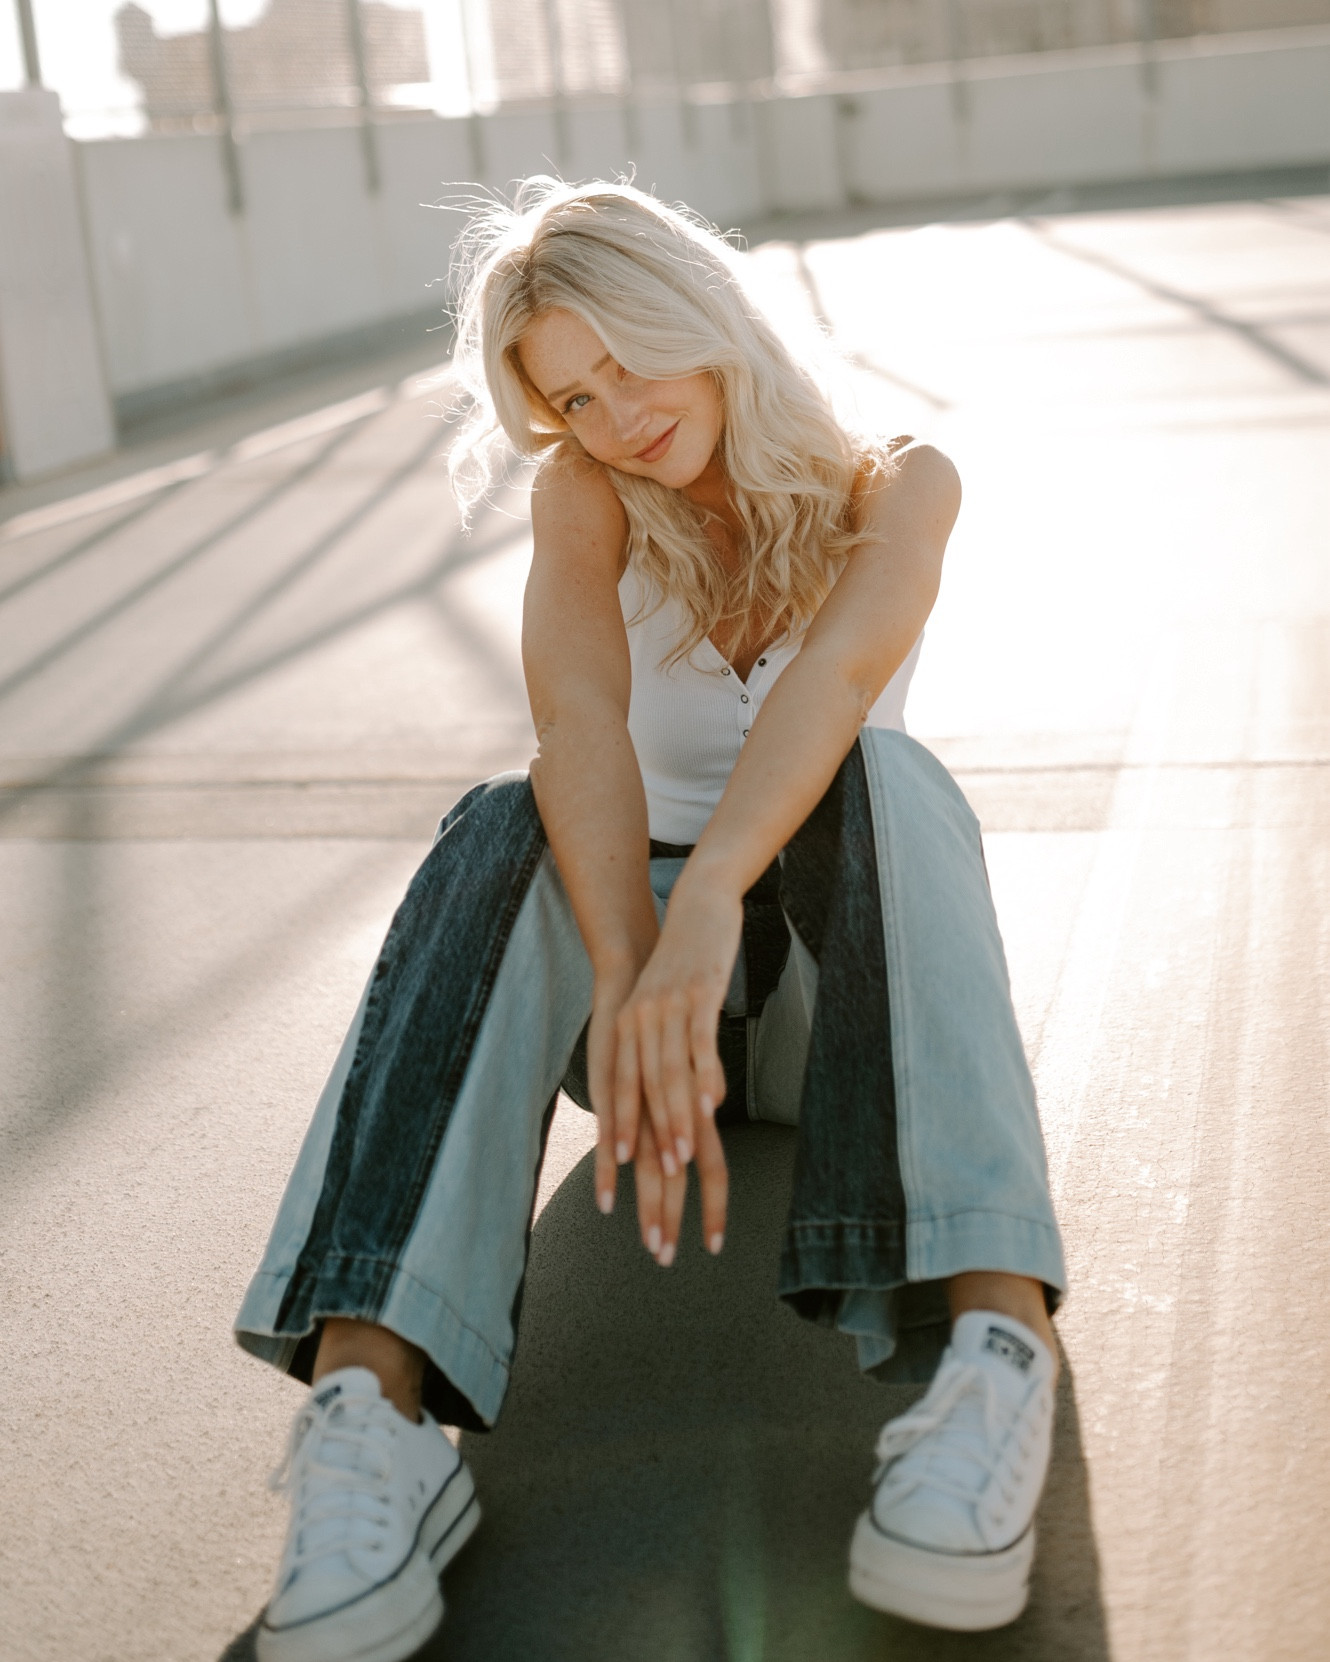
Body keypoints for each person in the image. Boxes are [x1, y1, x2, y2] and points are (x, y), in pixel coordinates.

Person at [234, 178, 1067, 1661]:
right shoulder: (588, 498)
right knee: (504, 813)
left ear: (697, 313)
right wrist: (631, 956)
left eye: (622, 361)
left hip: (836, 1007)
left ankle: (996, 1352)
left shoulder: (902, 482)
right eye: (569, 397)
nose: (611, 416)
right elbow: (577, 724)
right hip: (629, 1014)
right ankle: (373, 1414)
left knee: (885, 771)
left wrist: (712, 911)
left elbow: (829, 689)